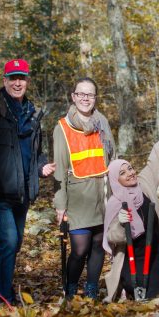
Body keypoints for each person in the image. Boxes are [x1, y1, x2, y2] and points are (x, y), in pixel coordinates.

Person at [0, 59, 56, 305]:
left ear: (27, 81)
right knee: (8, 241)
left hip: (23, 191)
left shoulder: (32, 112)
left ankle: (1, 286)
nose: (18, 83)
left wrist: (42, 166)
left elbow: (35, 151)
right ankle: (1, 295)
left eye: (22, 78)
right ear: (5, 81)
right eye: (13, 78)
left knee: (15, 243)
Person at [103, 106, 159, 302]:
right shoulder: (115, 202)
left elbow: (156, 158)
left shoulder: (144, 184)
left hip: (156, 254)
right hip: (132, 258)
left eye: (130, 168)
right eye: (123, 173)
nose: (130, 174)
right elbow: (111, 237)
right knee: (139, 287)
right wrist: (120, 223)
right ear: (116, 179)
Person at [53, 78, 116, 299]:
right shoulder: (62, 127)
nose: (85, 99)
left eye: (90, 95)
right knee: (80, 249)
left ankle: (91, 289)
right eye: (81, 94)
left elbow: (112, 157)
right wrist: (60, 205)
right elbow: (59, 169)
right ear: (73, 96)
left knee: (99, 246)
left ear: (95, 98)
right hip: (77, 198)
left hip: (103, 194)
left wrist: (118, 194)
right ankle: (70, 288)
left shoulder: (103, 123)